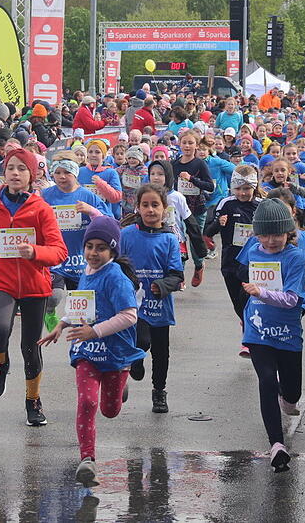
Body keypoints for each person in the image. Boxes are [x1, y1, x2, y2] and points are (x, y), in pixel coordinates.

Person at [38, 216, 144, 488]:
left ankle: (122, 383)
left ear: (112, 251)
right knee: (87, 402)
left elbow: (130, 316)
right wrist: (61, 325)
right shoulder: (85, 270)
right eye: (89, 247)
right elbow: (80, 306)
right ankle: (87, 460)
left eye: (101, 248)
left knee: (109, 411)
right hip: (86, 350)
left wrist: (95, 331)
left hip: (114, 352)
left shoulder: (116, 278)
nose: (93, 253)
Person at [0, 148, 67, 426]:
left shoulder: (41, 208)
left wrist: (35, 252)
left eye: (22, 169)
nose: (15, 173)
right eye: (10, 167)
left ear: (32, 176)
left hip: (35, 284)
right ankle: (0, 363)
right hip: (2, 280)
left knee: (30, 348)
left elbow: (59, 251)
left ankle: (32, 402)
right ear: (3, 172)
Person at [236, 198, 305, 472]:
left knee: (291, 393)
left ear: (288, 232)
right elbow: (238, 272)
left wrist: (261, 292)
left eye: (277, 234)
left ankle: (287, 399)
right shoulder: (253, 250)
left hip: (288, 331)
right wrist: (244, 301)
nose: (271, 240)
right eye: (264, 234)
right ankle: (276, 445)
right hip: (258, 330)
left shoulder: (295, 257)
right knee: (266, 379)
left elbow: (292, 299)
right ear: (256, 234)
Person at [119, 184, 184, 413]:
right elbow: (117, 264)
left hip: (160, 304)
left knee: (160, 351)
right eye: (145, 205)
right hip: (132, 302)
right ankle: (136, 359)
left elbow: (177, 275)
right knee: (142, 340)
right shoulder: (126, 234)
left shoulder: (169, 239)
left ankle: (159, 391)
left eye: (155, 205)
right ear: (137, 207)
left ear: (164, 208)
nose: (150, 210)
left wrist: (162, 285)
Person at [40, 152, 109, 330]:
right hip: (55, 257)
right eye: (57, 173)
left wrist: (91, 211)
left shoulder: (87, 196)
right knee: (54, 296)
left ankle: (81, 343)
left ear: (75, 173)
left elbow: (108, 223)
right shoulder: (45, 195)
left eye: (67, 172)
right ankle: (49, 311)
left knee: (81, 309)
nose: (62, 177)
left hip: (81, 259)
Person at [203, 166, 262, 355]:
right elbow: (208, 232)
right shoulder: (226, 204)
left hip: (254, 262)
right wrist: (218, 224)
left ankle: (249, 338)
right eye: (239, 188)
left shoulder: (262, 205)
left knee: (250, 300)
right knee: (238, 303)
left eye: (247, 188)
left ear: (254, 187)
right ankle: (244, 321)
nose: (243, 193)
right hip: (230, 262)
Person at [172, 130, 214, 286]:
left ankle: (199, 265)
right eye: (184, 142)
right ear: (179, 144)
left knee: (195, 242)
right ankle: (179, 276)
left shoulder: (200, 164)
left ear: (196, 146)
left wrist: (192, 179)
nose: (187, 146)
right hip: (178, 210)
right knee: (179, 241)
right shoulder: (174, 164)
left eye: (191, 143)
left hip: (197, 209)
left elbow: (210, 186)